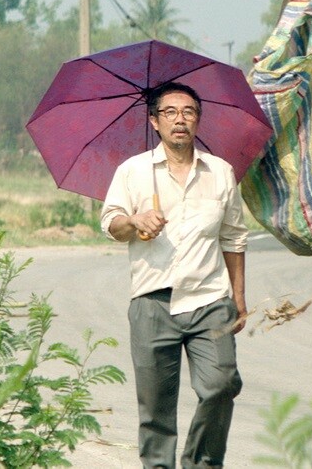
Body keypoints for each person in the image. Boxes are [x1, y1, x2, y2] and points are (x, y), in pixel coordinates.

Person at [100, 81, 248, 469]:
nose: (180, 120)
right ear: (154, 121)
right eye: (170, 113)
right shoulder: (132, 172)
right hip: (152, 303)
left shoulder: (220, 172)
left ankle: (200, 463)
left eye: (189, 112)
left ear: (198, 121)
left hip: (209, 301)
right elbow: (111, 224)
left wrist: (240, 298)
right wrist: (134, 221)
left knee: (221, 385)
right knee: (156, 411)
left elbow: (234, 237)